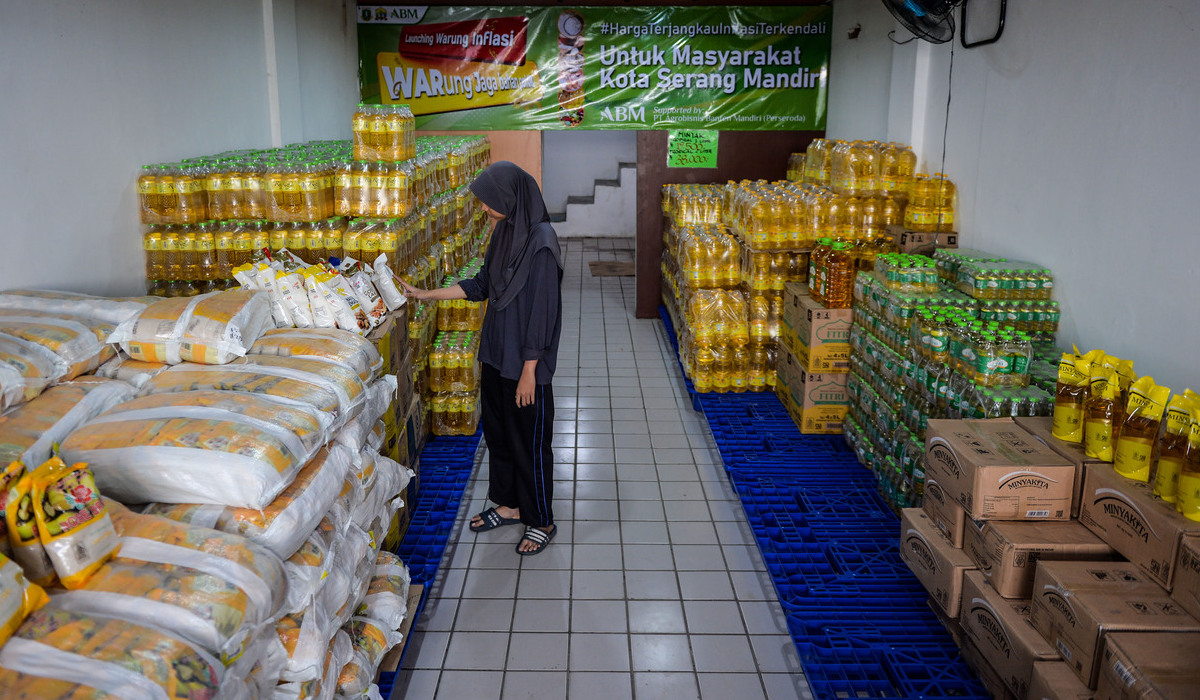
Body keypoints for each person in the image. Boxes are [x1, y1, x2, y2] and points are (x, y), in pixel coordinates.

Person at [399, 161, 563, 555]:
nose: (484, 210)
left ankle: (541, 518)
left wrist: (529, 371)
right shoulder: (505, 231)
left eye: (490, 202)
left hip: (525, 365)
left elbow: (543, 312)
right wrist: (426, 295)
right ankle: (509, 505)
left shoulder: (541, 243)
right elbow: (483, 284)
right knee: (500, 435)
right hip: (495, 354)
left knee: (530, 441)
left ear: (509, 197)